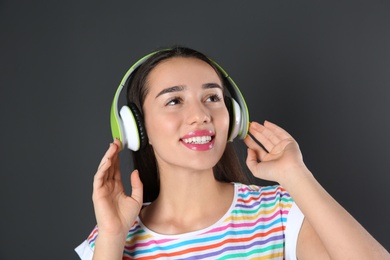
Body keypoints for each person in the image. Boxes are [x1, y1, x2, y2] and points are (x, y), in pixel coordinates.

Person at [75, 46, 389, 259]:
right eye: (174, 101)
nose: (201, 115)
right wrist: (113, 237)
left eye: (212, 97)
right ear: (136, 128)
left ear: (233, 116)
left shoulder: (279, 213)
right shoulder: (110, 236)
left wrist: (297, 176)